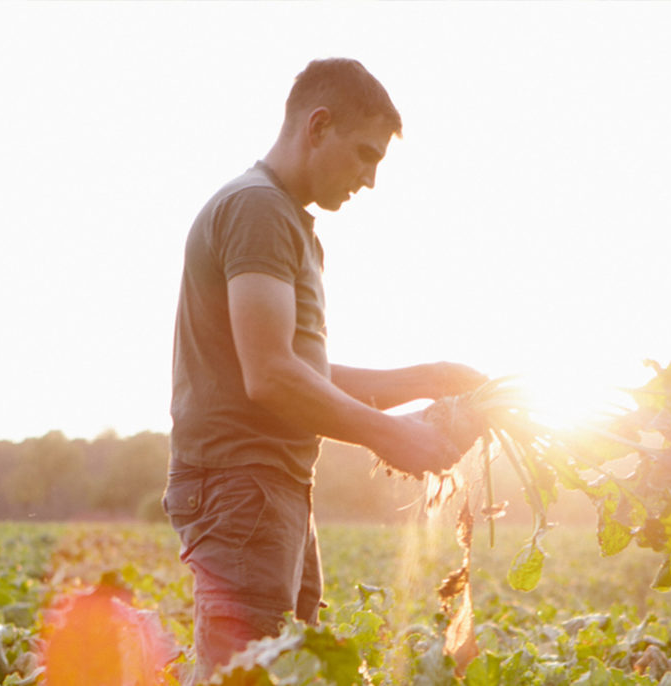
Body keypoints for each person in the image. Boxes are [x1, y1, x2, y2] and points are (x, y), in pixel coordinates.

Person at [163, 57, 486, 681]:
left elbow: (300, 368)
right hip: (243, 485)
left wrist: (428, 378)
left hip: (269, 486)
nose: (369, 180)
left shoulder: (285, 221)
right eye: (365, 155)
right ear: (317, 126)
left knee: (286, 670)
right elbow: (272, 377)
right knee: (249, 676)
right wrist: (393, 434)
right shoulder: (257, 210)